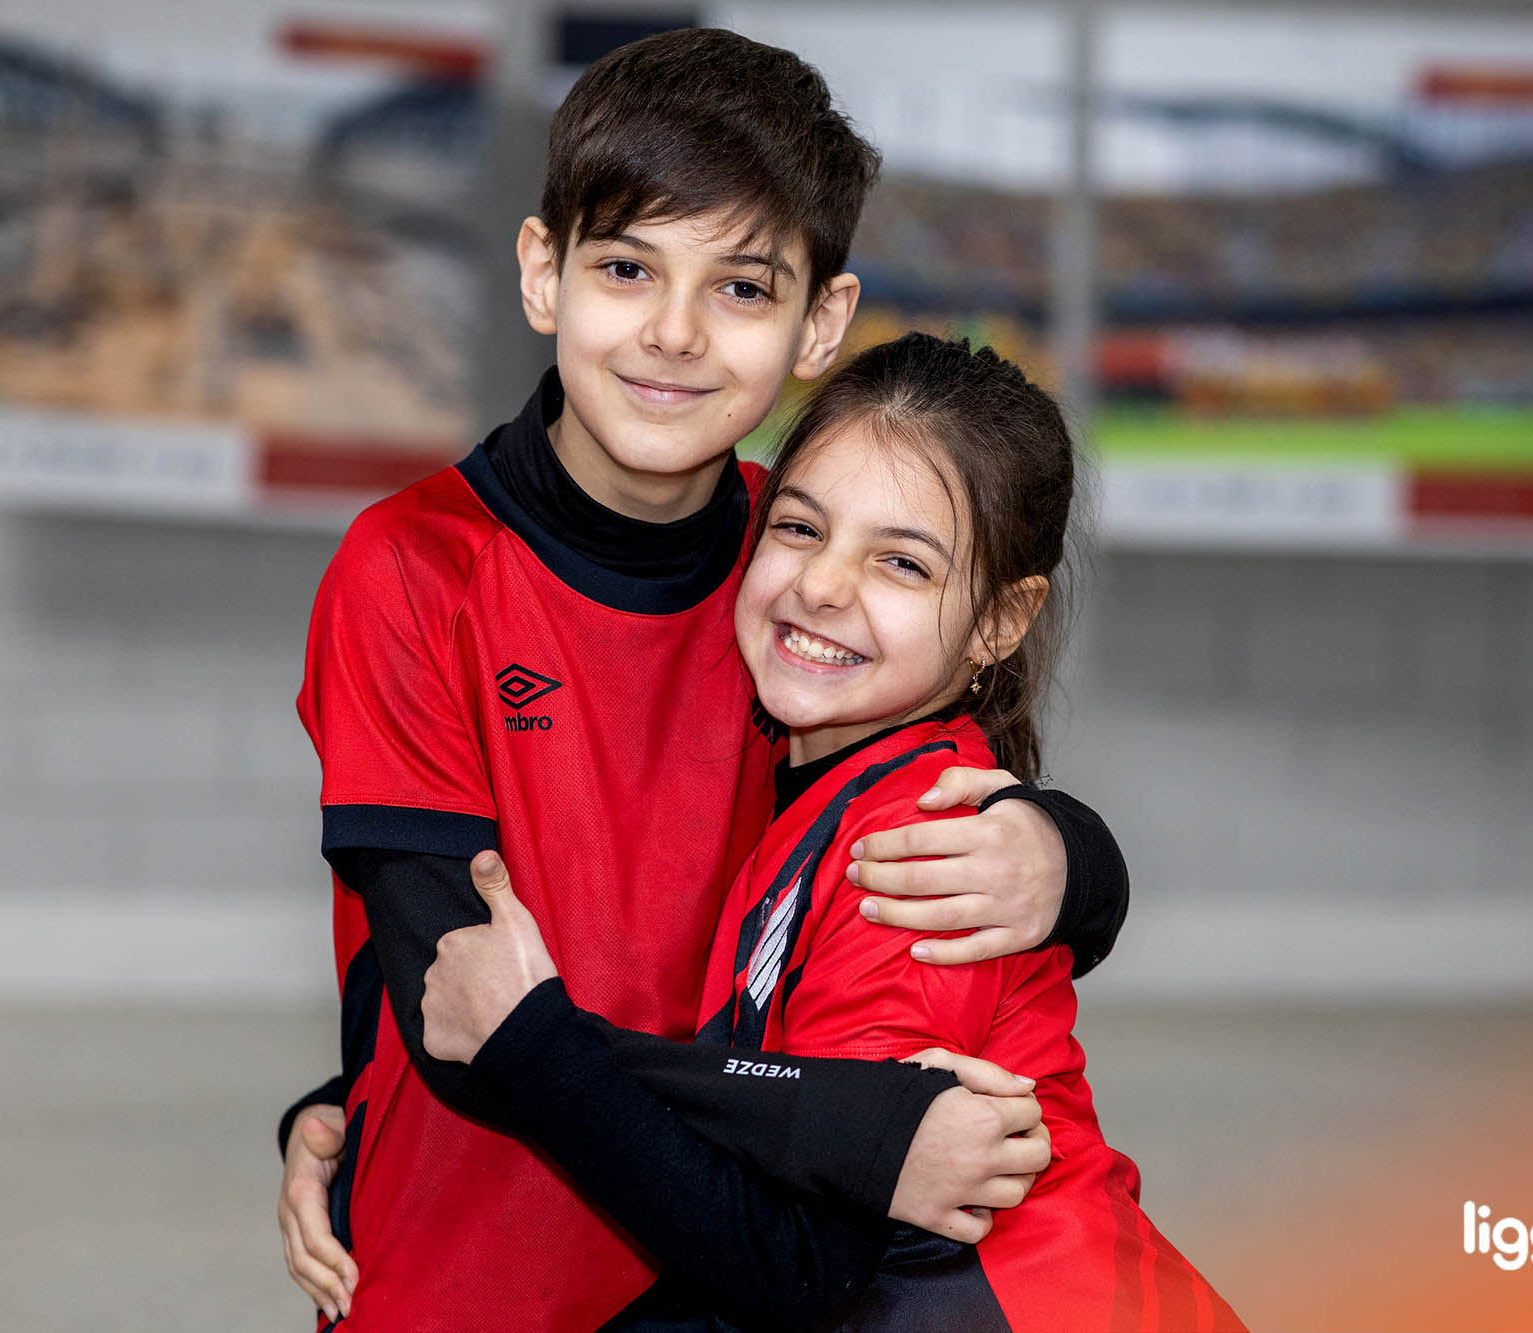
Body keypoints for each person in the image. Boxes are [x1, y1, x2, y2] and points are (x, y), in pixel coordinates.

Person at [277, 29, 1132, 1332]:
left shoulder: (800, 572)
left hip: (725, 1256)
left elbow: (918, 807)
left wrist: (1071, 860)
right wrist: (855, 1124)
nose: (673, 334)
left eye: (740, 286)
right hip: (454, 1270)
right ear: (543, 272)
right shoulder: (413, 570)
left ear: (818, 323)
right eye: (627, 268)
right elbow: (463, 1017)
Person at [421, 332, 1246, 1332]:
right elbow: (778, 1114)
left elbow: (796, 1262)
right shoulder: (808, 785)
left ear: (999, 620)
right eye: (801, 527)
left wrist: (535, 1044)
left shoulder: (920, 856)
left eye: (901, 562)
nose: (822, 584)